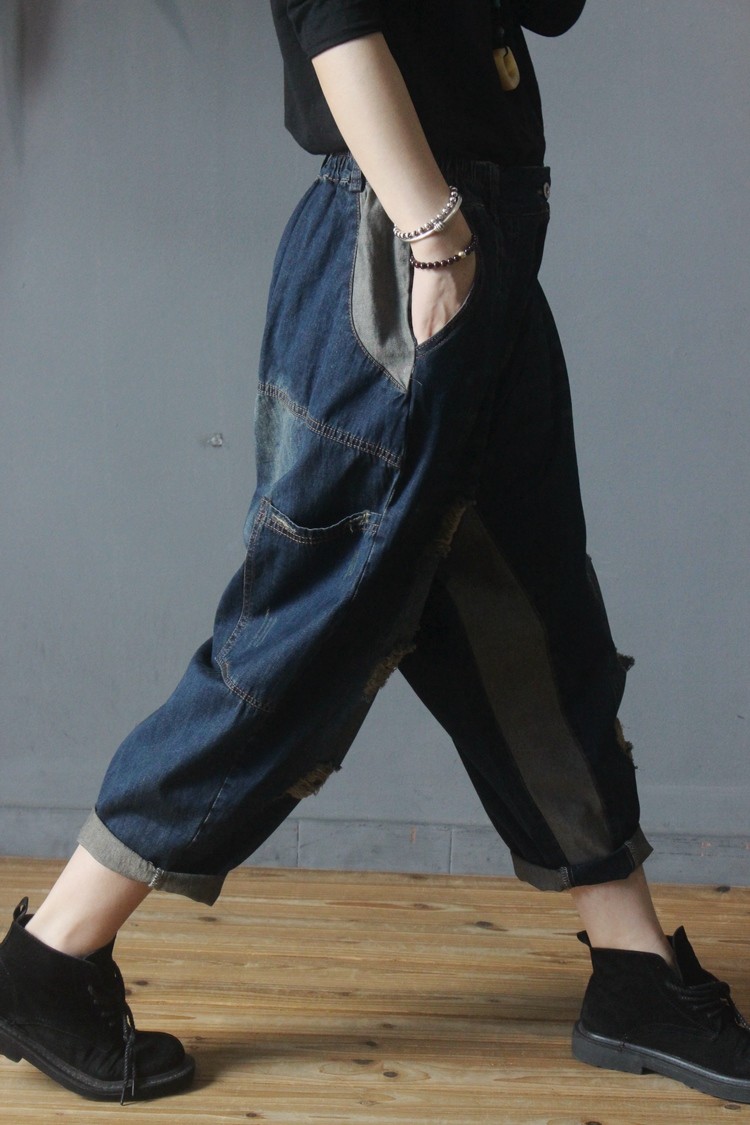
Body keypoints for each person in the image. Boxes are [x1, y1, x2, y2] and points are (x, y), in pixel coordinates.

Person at [1, 0, 748, 1107]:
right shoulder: (424, 231)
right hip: (405, 247)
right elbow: (330, 15)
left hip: (486, 244)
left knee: (536, 623)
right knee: (305, 635)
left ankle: (633, 964)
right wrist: (433, 230)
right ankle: (51, 954)